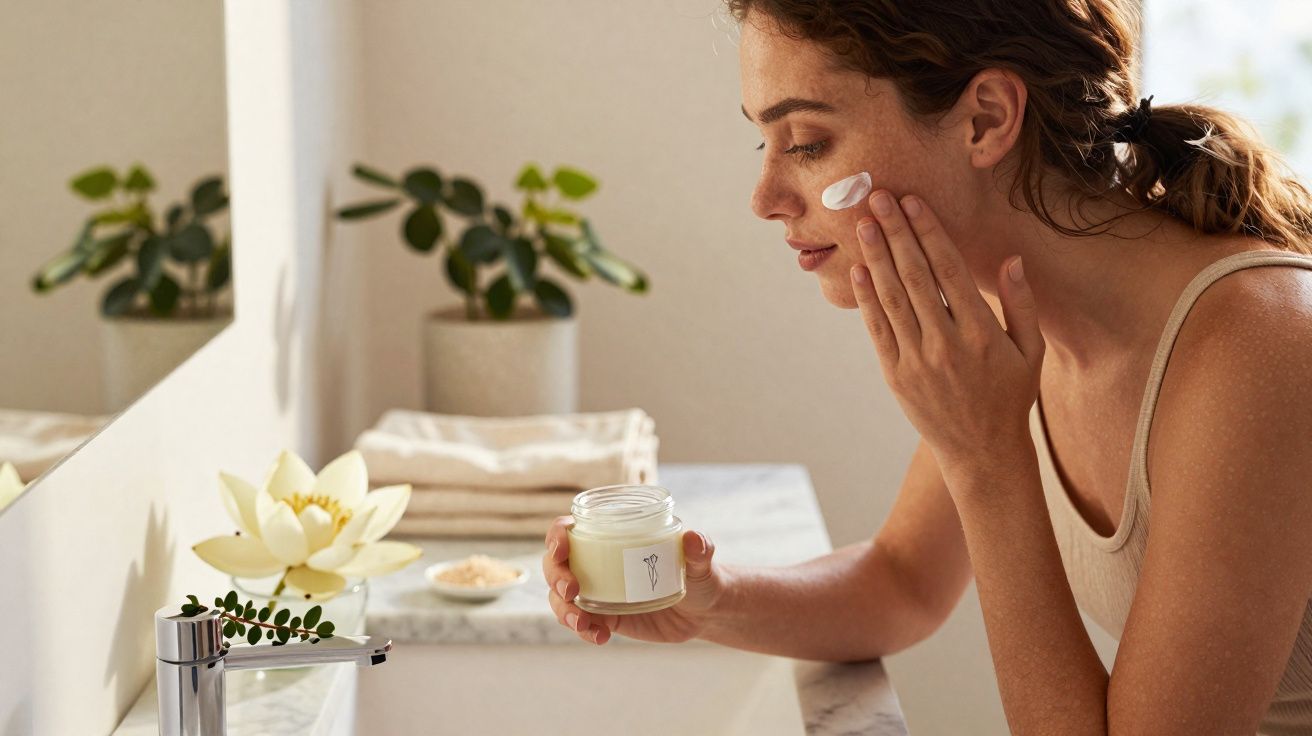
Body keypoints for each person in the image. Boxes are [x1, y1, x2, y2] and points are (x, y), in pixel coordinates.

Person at [544, 1, 1312, 732]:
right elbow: (901, 584)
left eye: (807, 142)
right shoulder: (1013, 325)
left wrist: (987, 458)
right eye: (764, 143)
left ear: (986, 119)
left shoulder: (1255, 346)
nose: (766, 198)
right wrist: (706, 601)